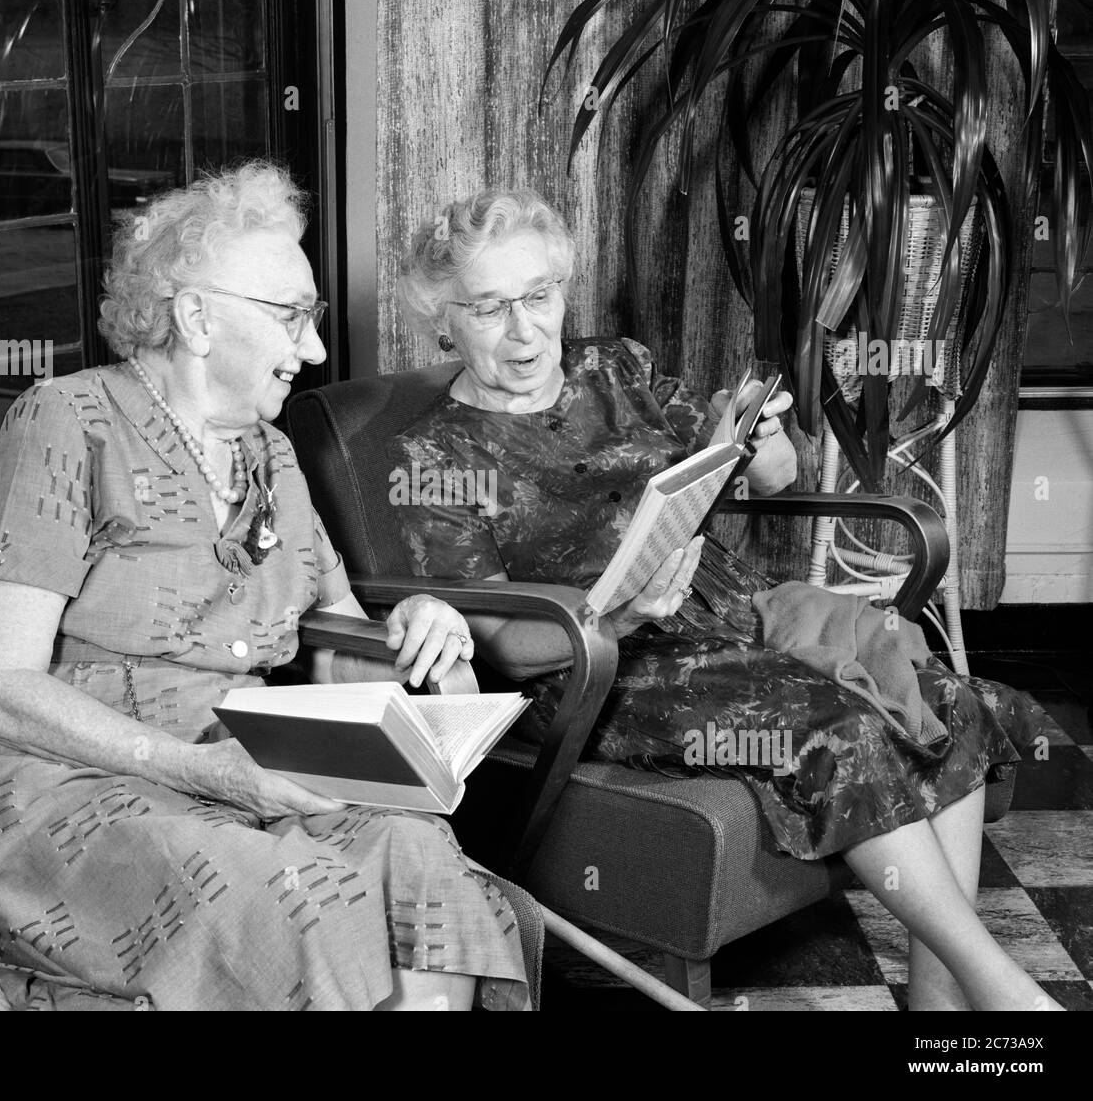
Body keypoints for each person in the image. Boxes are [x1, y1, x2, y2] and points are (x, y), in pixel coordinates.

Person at [387, 187, 1059, 1012]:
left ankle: (941, 1015)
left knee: (949, 699)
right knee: (837, 723)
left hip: (726, 616)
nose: (524, 331)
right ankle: (1008, 995)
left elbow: (768, 477)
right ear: (443, 323)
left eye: (538, 296)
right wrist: (623, 614)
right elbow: (496, 639)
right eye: (489, 309)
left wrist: (761, 446)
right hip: (597, 671)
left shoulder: (619, 368)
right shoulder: (433, 455)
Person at [0, 162, 528, 1012]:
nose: (317, 349)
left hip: (243, 766)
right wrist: (201, 771)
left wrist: (417, 634)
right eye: (292, 317)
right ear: (196, 316)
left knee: (417, 852)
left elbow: (343, 653)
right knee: (291, 901)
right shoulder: (67, 422)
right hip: (62, 784)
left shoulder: (272, 457)